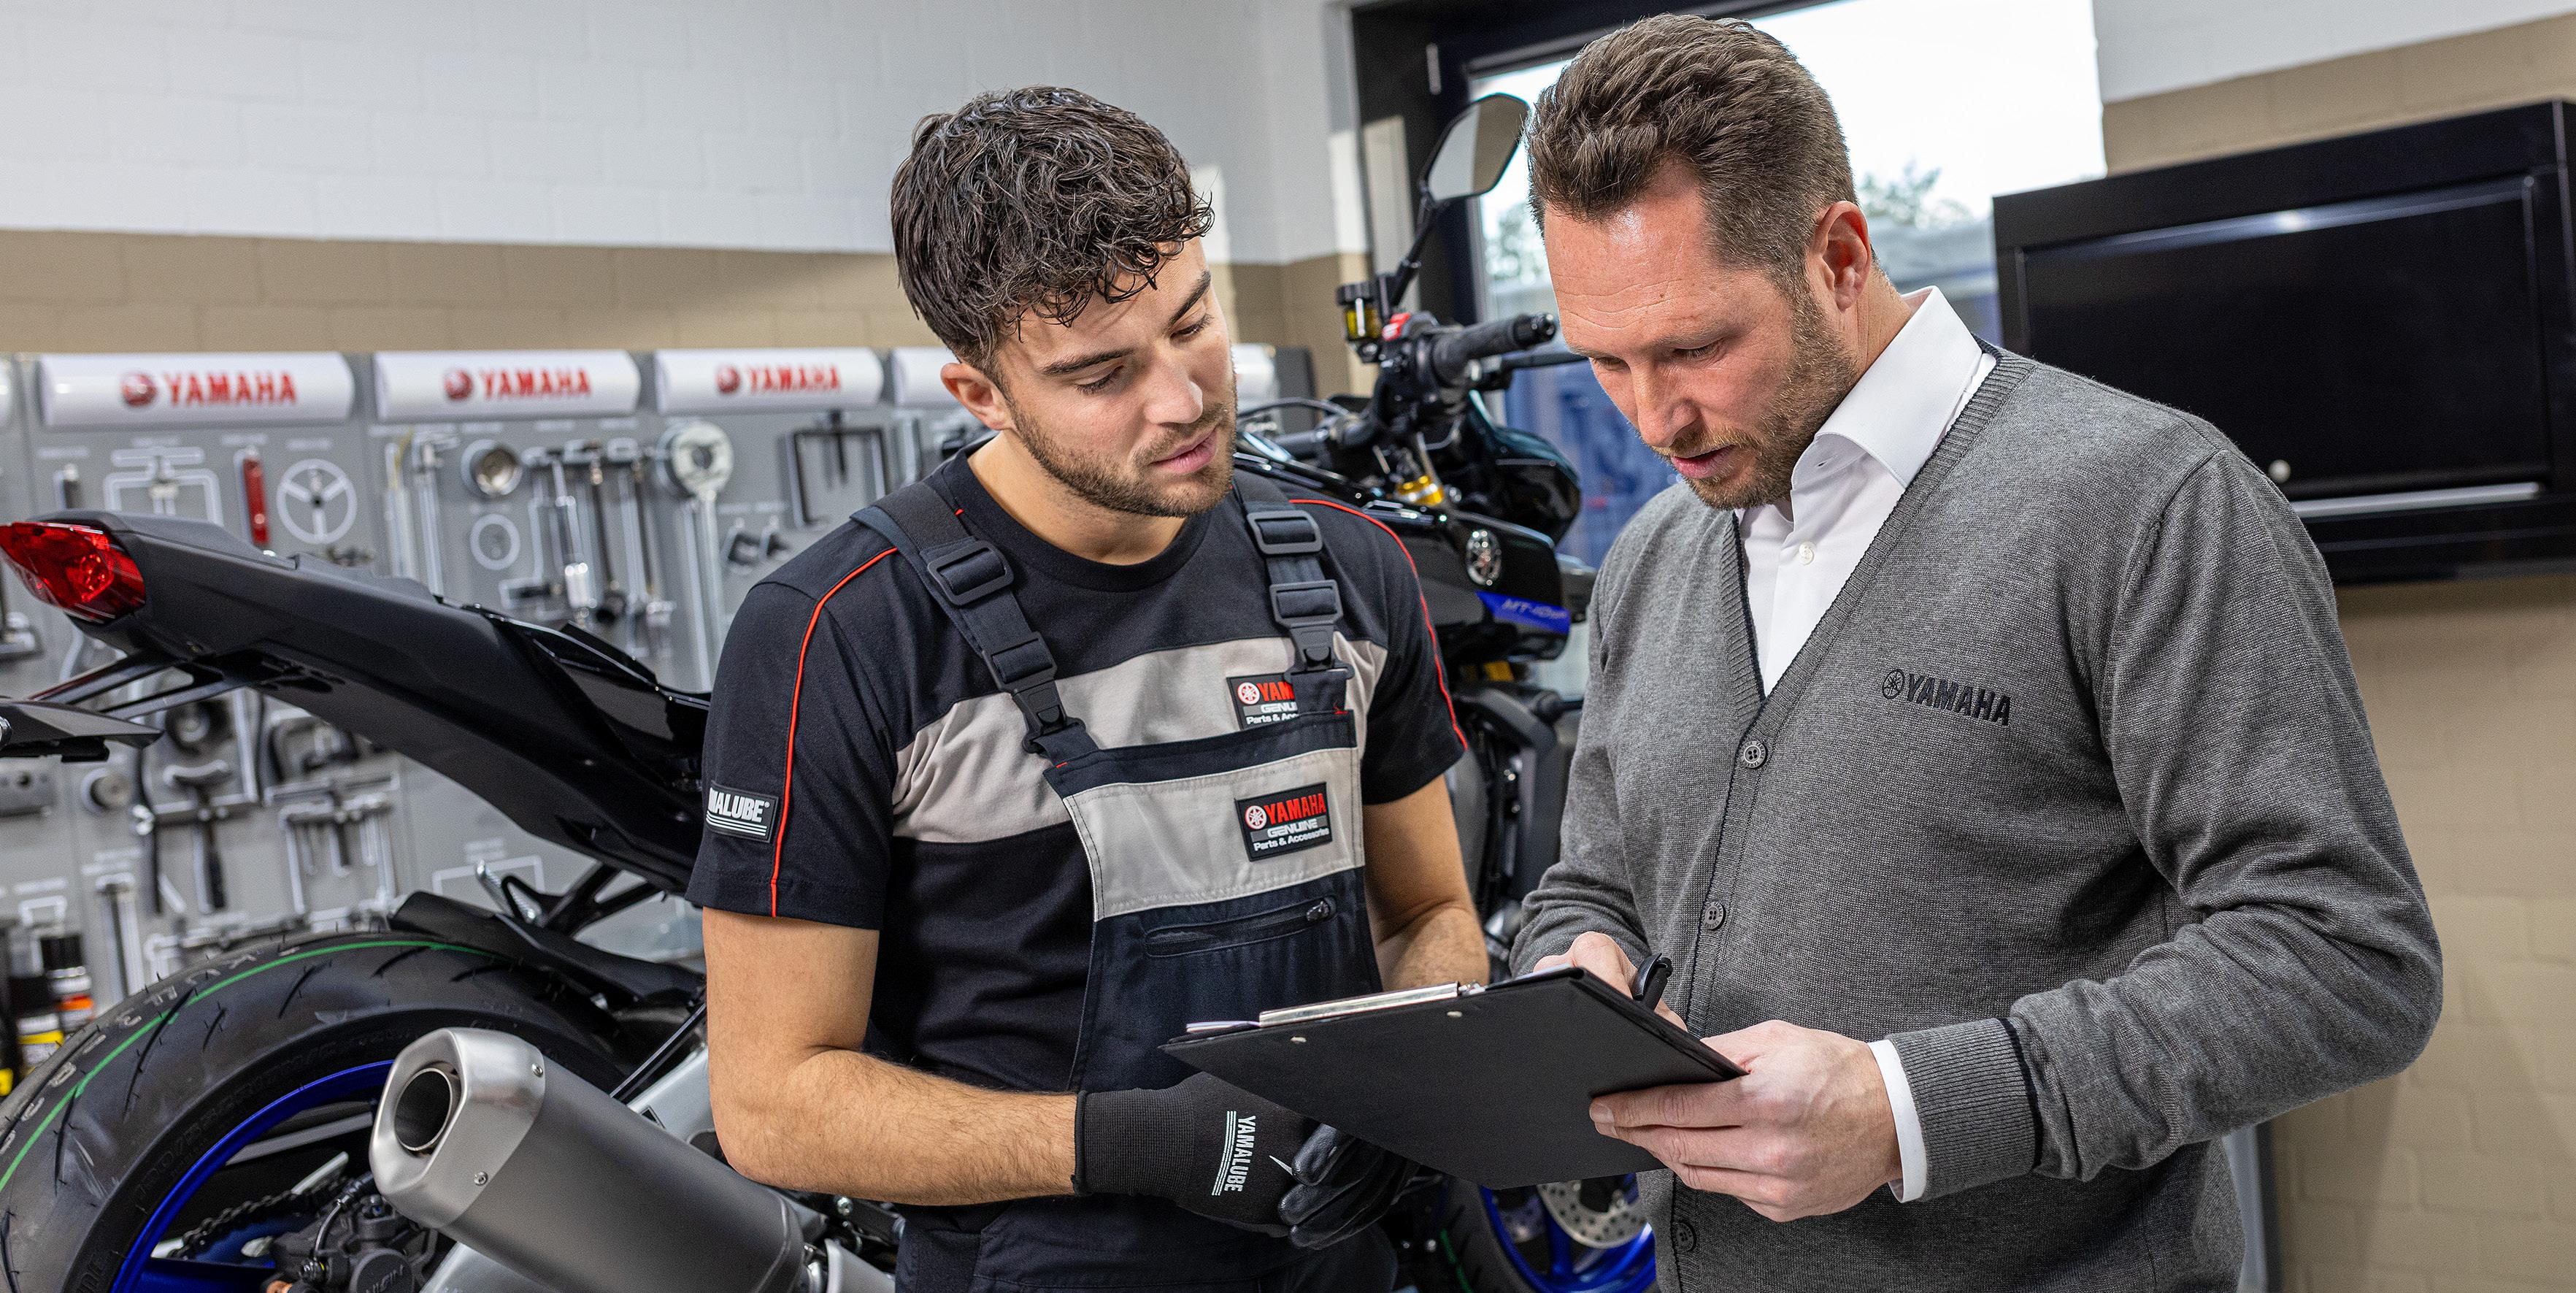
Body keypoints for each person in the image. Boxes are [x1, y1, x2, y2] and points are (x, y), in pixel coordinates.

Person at [1510, 15, 2442, 1291]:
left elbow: (2345, 960)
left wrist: (1908, 1111)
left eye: (1695, 347)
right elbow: (1596, 883)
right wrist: (1571, 968)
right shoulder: (1654, 557)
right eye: (1605, 361)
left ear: (1838, 256)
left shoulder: (2143, 502)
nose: (1653, 417)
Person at [686, 87, 1484, 1292]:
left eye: (1192, 322)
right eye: (1101, 374)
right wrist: (1133, 1142)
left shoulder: (1347, 567)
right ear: (981, 395)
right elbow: (772, 1104)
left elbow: (1426, 915)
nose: (1182, 399)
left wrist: (1406, 1079)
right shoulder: (840, 634)